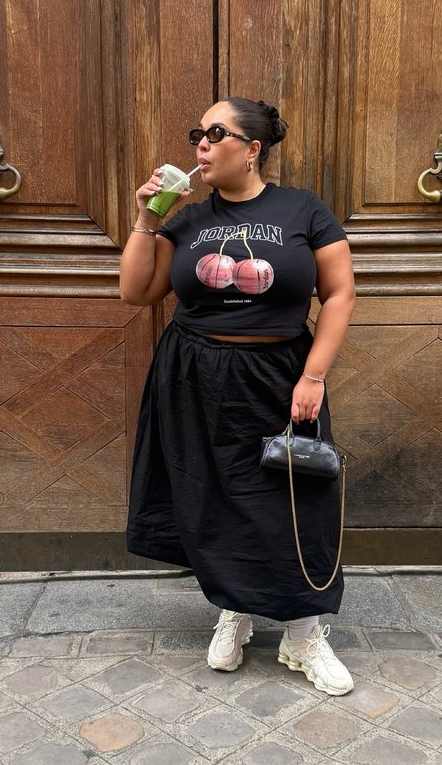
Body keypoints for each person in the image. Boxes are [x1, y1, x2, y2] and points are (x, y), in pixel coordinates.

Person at [120, 97, 356, 696]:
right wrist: (149, 218)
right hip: (194, 373)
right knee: (210, 495)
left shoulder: (303, 209)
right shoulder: (187, 218)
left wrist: (314, 375)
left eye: (216, 133)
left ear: (252, 149)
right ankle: (235, 610)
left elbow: (340, 294)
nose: (201, 143)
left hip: (280, 373)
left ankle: (304, 633)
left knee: (292, 496)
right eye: (198, 131)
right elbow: (135, 292)